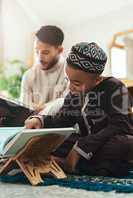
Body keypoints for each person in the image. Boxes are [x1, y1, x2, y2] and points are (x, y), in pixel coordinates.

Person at [25, 42, 133, 177]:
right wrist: (39, 120)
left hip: (107, 143)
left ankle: (74, 164)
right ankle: (80, 165)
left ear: (97, 80)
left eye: (76, 83)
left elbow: (120, 126)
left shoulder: (116, 88)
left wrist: (81, 147)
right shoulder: (74, 94)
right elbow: (62, 120)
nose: (70, 88)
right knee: (52, 140)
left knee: (124, 144)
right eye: (68, 80)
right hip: (86, 146)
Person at [20, 25, 68, 113]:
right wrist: (53, 106)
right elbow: (24, 109)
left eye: (46, 52)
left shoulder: (70, 73)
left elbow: (68, 105)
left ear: (60, 50)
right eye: (37, 51)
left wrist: (40, 108)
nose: (40, 58)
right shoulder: (28, 76)